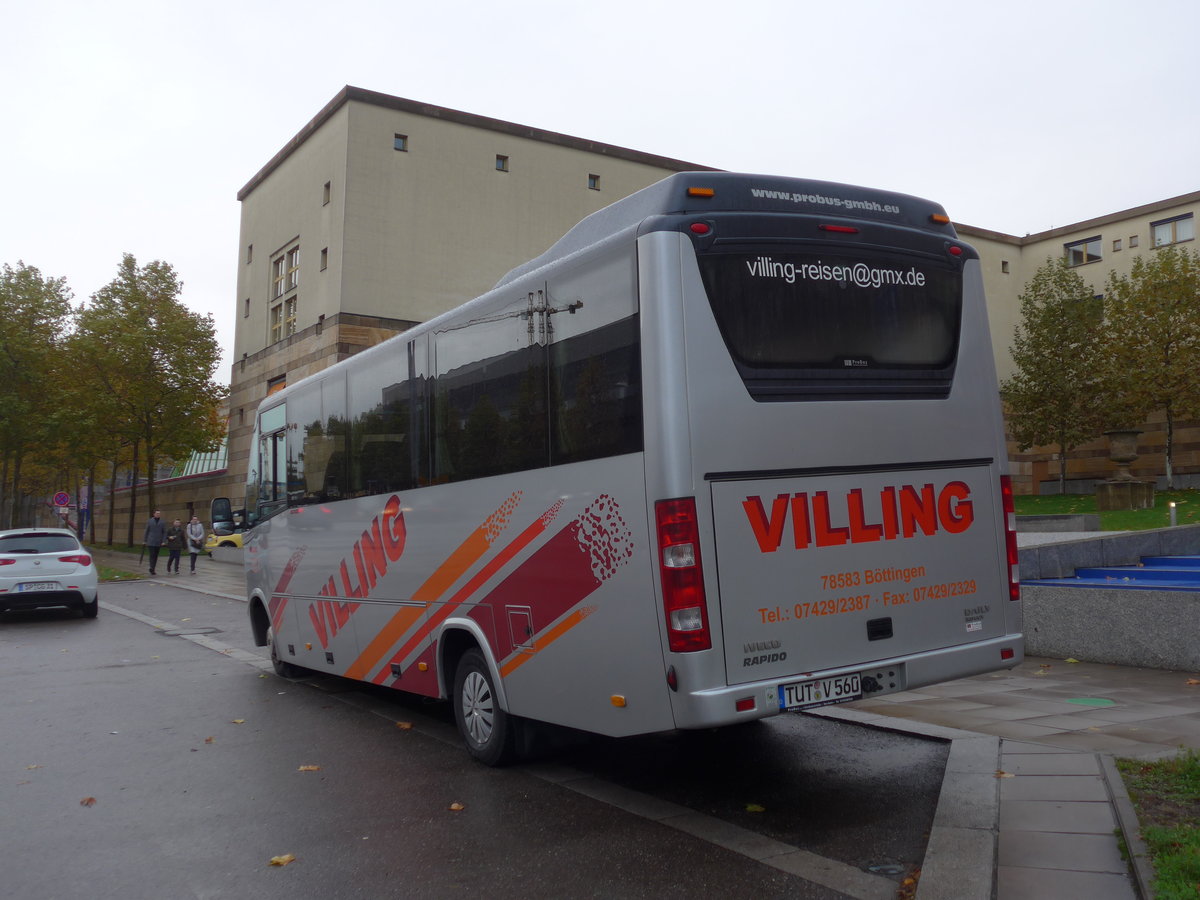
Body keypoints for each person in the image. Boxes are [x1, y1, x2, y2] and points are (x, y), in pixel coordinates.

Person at [144, 509, 166, 575]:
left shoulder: (162, 522)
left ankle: (153, 568)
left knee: (155, 555)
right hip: (151, 541)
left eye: (159, 513)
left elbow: (164, 532)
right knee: (152, 555)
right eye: (157, 513)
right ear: (154, 514)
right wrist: (145, 540)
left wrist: (163, 541)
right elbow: (146, 531)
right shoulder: (150, 521)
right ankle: (152, 568)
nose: (158, 514)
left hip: (158, 541)